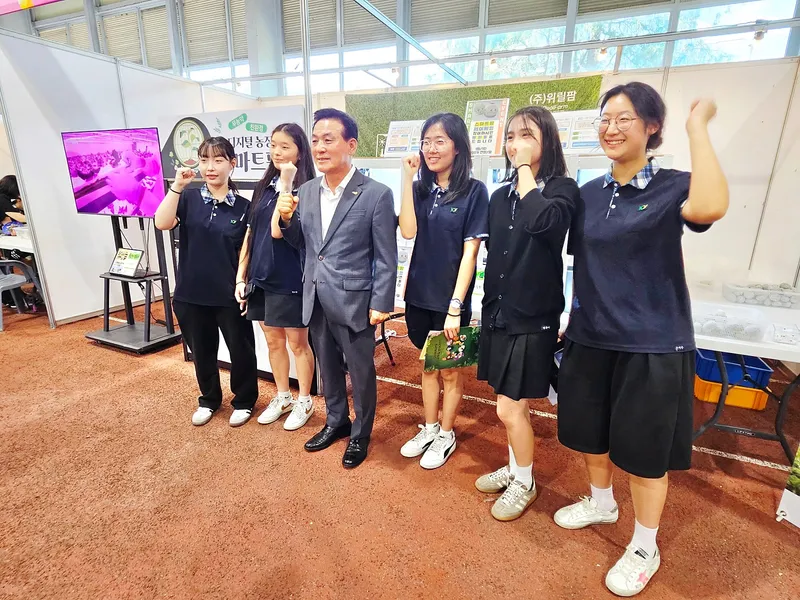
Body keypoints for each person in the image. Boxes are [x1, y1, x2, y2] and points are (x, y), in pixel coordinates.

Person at [555, 82, 728, 597]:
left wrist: (697, 126)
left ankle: (645, 545)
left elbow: (711, 207)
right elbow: (584, 264)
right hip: (590, 337)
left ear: (652, 127)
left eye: (624, 118)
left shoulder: (674, 186)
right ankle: (601, 502)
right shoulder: (588, 193)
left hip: (653, 344)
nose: (611, 128)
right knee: (589, 436)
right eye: (605, 119)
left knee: (645, 455)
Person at [473, 106, 580, 521]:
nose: (515, 144)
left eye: (526, 135)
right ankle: (517, 467)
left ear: (547, 141)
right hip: (498, 312)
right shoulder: (500, 196)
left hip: (533, 316)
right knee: (505, 403)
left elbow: (545, 225)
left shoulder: (562, 190)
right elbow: (495, 254)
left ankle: (525, 481)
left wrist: (522, 171)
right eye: (511, 136)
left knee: (509, 407)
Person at [277, 108, 397, 469]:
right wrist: (287, 220)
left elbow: (386, 256)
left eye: (328, 140)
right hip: (315, 296)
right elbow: (303, 244)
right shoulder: (307, 190)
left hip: (355, 300)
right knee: (327, 366)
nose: (319, 147)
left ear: (351, 145)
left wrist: (381, 302)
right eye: (315, 140)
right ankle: (336, 421)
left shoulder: (376, 194)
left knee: (360, 372)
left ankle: (361, 433)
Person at [397, 113, 488, 469]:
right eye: (426, 142)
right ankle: (430, 427)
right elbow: (408, 231)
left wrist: (456, 305)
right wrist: (407, 178)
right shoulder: (420, 190)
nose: (431, 149)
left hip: (449, 302)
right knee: (427, 367)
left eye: (440, 141)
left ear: (457, 146)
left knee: (449, 370)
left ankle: (446, 434)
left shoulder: (474, 191)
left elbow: (470, 254)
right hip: (418, 295)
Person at [155, 137, 259, 428]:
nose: (210, 167)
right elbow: (161, 223)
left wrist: (241, 283)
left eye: (218, 160)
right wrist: (177, 186)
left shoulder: (244, 207)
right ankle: (209, 399)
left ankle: (244, 400)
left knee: (241, 350)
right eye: (204, 160)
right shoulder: (187, 198)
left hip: (228, 294)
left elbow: (246, 251)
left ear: (232, 164)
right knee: (202, 353)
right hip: (190, 293)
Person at [235, 124, 317, 431]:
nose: (277, 152)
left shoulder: (307, 190)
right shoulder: (263, 186)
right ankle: (283, 396)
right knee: (272, 341)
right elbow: (251, 233)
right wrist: (241, 276)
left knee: (298, 344)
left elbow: (277, 231)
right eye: (273, 145)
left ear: (300, 151)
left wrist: (287, 182)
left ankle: (305, 399)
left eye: (285, 146)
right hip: (261, 277)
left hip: (290, 278)